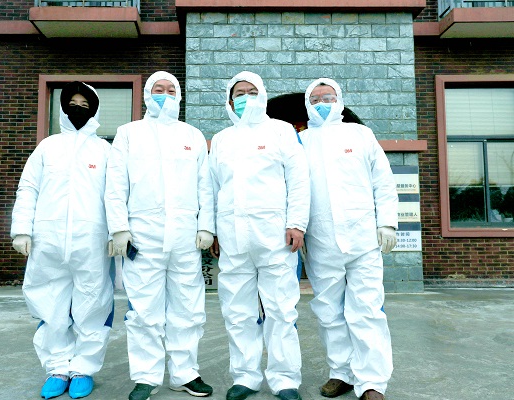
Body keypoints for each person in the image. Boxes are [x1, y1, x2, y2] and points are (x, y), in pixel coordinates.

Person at [105, 71, 215, 400]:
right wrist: (119, 228)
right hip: (143, 236)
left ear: (179, 95)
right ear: (147, 95)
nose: (164, 94)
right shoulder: (129, 133)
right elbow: (116, 184)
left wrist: (205, 226)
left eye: (170, 89)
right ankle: (146, 377)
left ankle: (185, 373)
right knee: (144, 311)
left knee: (188, 309)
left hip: (184, 237)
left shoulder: (192, 135)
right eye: (158, 89)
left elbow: (205, 186)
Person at [209, 71, 310, 400]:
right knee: (238, 311)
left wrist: (297, 223)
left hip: (275, 238)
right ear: (229, 101)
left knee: (281, 310)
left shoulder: (281, 131)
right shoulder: (222, 139)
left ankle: (285, 379)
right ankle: (245, 377)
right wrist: (212, 230)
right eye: (239, 93)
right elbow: (212, 188)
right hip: (232, 238)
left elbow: (298, 179)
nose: (246, 98)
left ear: (263, 95)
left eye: (252, 92)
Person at [11, 81, 114, 399]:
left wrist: (117, 231)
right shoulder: (47, 147)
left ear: (94, 111)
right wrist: (22, 229)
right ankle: (57, 367)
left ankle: (83, 368)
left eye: (84, 105)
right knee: (50, 305)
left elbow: (116, 195)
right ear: (62, 108)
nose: (77, 110)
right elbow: (28, 188)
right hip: (49, 241)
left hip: (92, 242)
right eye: (72, 104)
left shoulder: (104, 150)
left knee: (92, 305)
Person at [299, 78, 398, 400]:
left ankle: (372, 382)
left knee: (366, 309)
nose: (322, 103)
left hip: (362, 238)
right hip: (320, 240)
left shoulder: (360, 135)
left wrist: (387, 223)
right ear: (307, 104)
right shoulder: (300, 141)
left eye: (328, 97)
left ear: (339, 100)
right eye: (315, 99)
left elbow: (383, 180)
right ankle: (341, 373)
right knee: (329, 311)